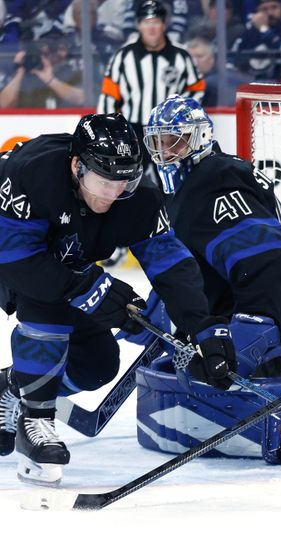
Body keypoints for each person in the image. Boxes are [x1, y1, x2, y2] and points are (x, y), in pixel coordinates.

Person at [0, 113, 237, 487]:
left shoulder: (138, 195)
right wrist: (89, 289)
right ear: (77, 166)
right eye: (103, 181)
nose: (113, 193)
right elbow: (18, 261)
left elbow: (169, 262)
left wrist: (203, 326)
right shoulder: (34, 173)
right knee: (48, 304)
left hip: (48, 263)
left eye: (123, 182)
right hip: (11, 251)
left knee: (97, 363)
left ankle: (13, 387)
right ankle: (35, 419)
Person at [134, 95, 281, 462]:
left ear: (201, 139)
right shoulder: (194, 184)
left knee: (205, 369)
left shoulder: (213, 180)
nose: (165, 151)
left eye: (175, 140)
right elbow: (198, 264)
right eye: (159, 142)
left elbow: (269, 260)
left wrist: (249, 334)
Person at [98, 0, 205, 182]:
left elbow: (197, 89)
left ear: (164, 25)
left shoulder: (181, 56)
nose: (151, 28)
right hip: (132, 131)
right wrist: (110, 131)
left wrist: (179, 115)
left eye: (155, 22)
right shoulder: (123, 57)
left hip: (168, 132)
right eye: (146, 22)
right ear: (139, 25)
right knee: (128, 181)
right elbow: (109, 95)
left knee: (172, 183)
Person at [0, 33, 85, 109]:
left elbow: (81, 99)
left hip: (63, 122)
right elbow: (4, 105)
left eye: (59, 49)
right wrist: (20, 71)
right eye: (47, 51)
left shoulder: (72, 72)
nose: (53, 54)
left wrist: (51, 80)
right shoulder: (22, 75)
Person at [230, 0, 281, 83]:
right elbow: (234, 54)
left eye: (274, 7)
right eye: (264, 9)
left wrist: (264, 30)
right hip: (250, 81)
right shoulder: (250, 29)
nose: (270, 13)